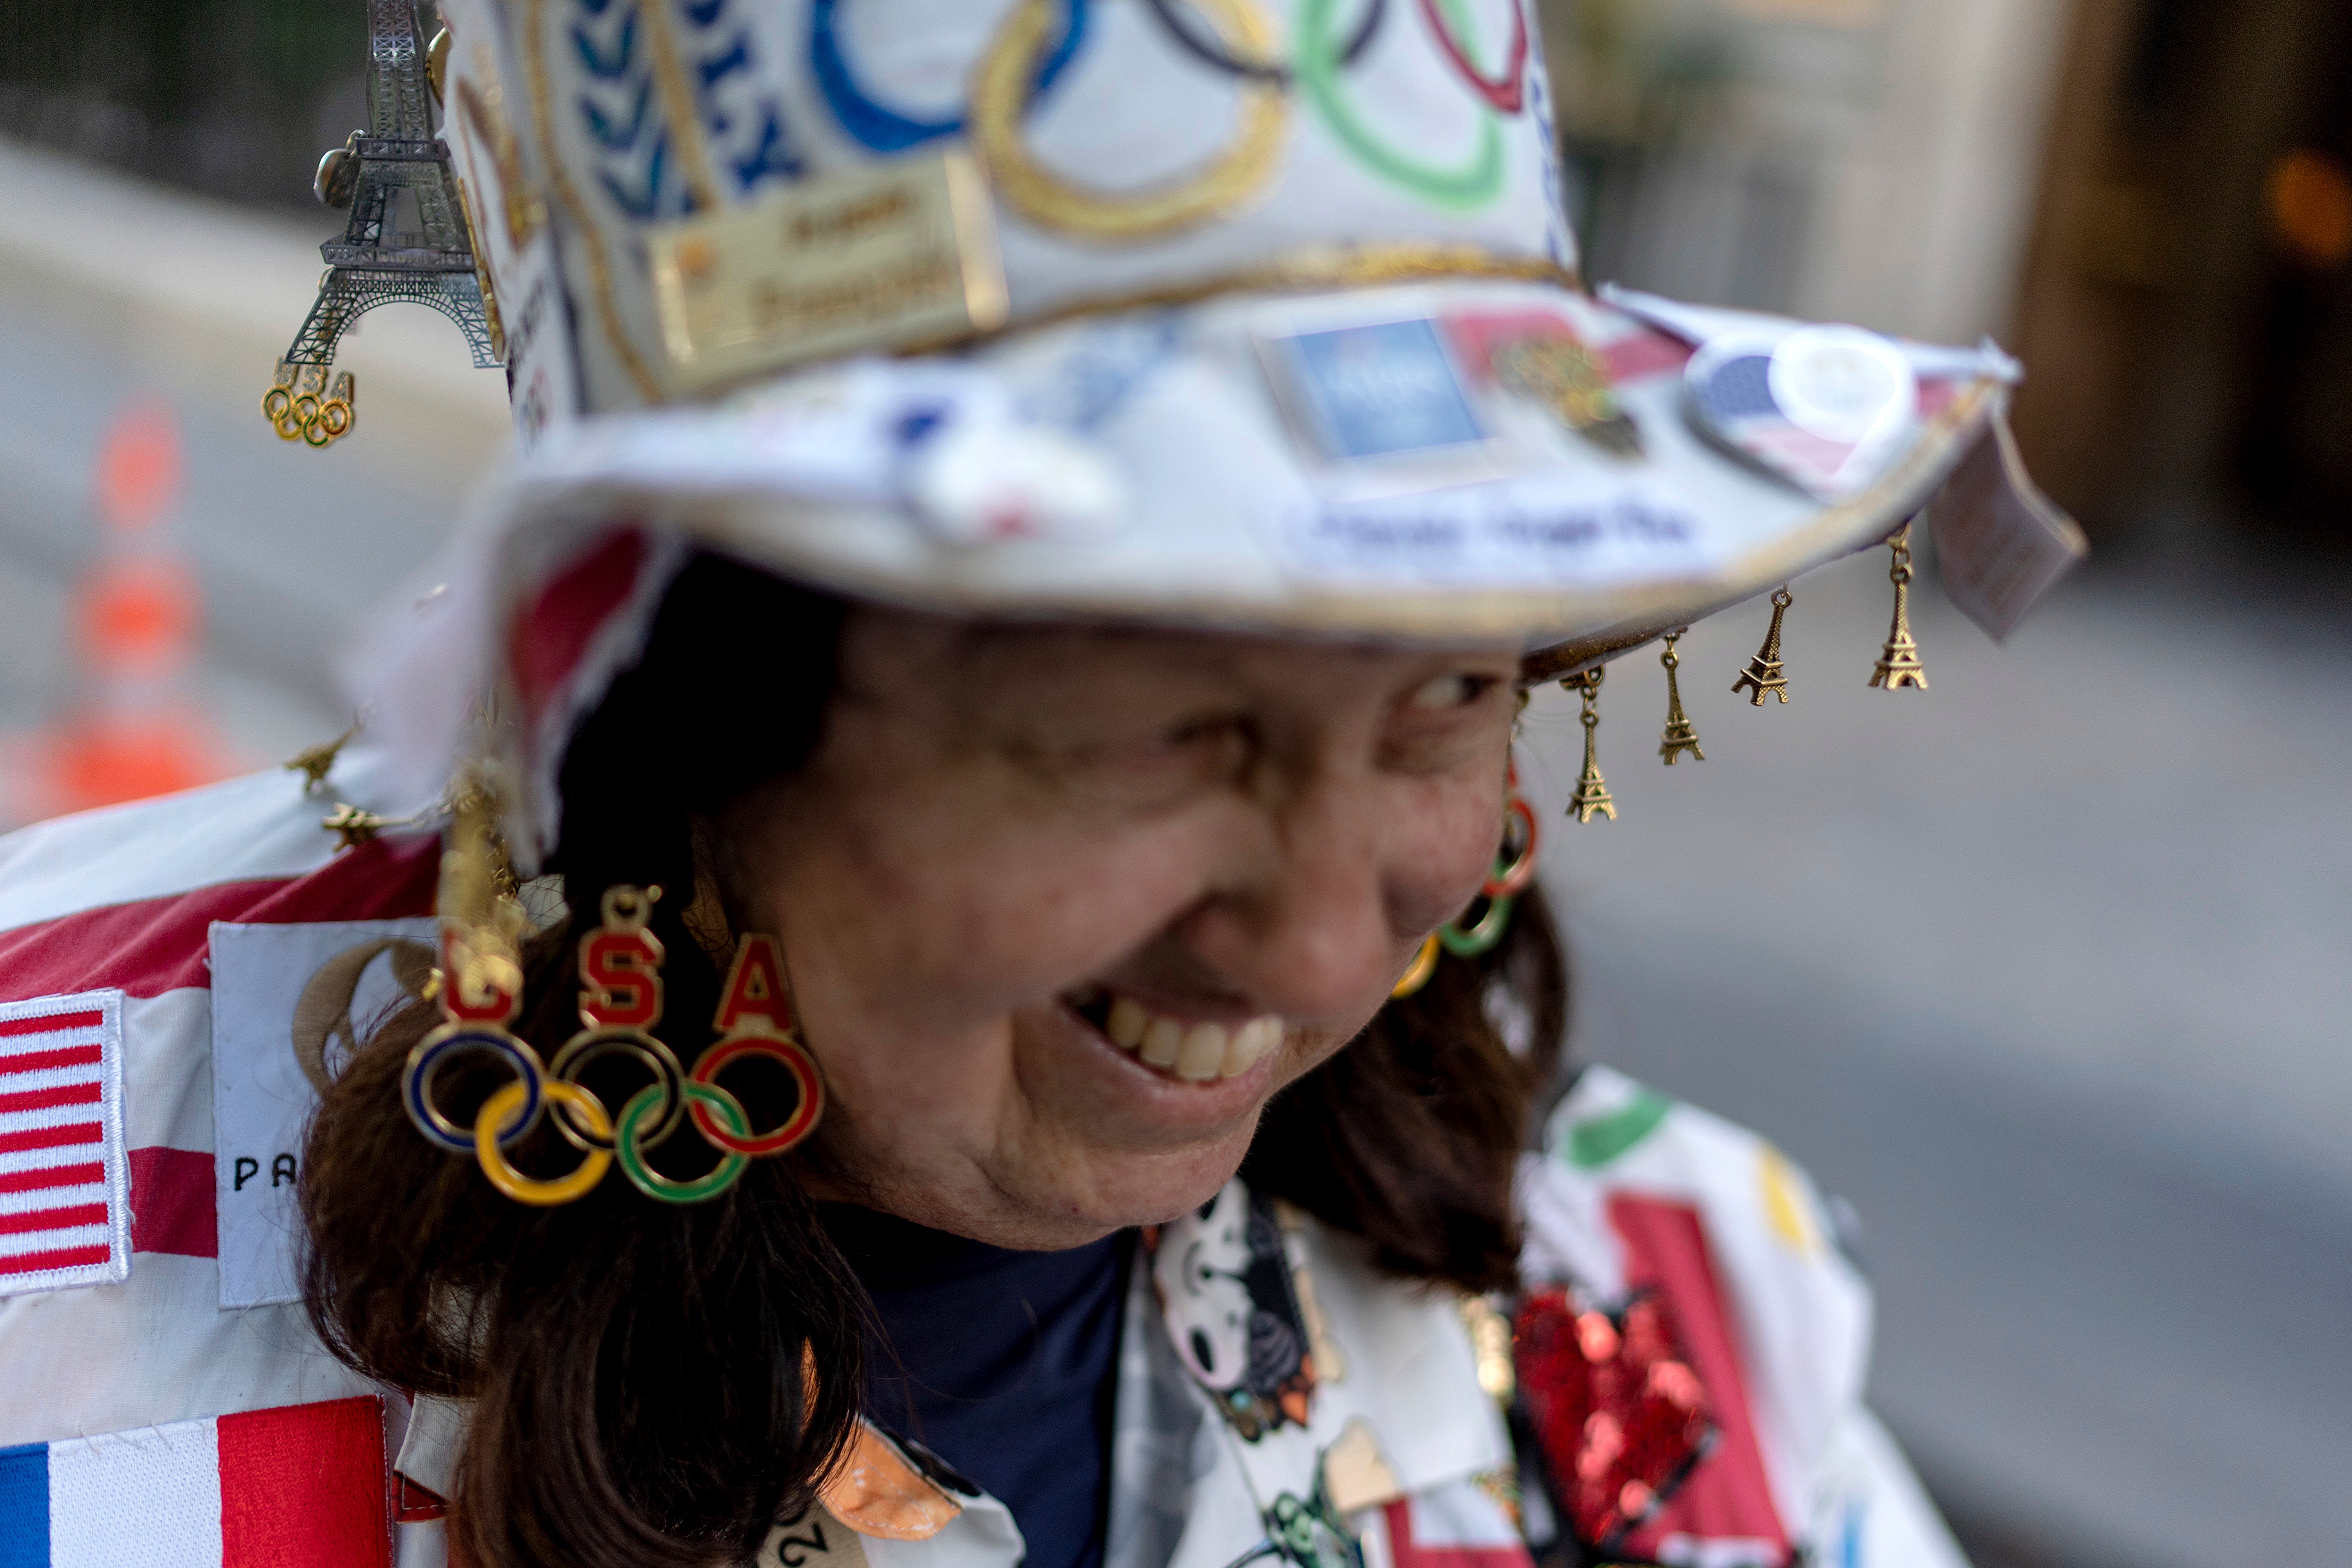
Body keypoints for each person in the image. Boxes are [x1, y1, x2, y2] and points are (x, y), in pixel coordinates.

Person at [0, 4, 2074, 1567]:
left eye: (1445, 686)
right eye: (1146, 722)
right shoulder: (52, 1247)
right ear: (673, 703)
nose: (1319, 922)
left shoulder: (1683, 1306)